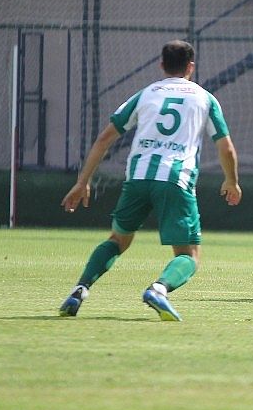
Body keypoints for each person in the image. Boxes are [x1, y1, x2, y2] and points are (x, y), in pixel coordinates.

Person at [58, 40, 241, 321]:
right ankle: (159, 289)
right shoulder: (204, 98)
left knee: (118, 239)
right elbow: (225, 147)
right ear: (191, 66)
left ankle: (80, 289)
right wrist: (231, 181)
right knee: (189, 254)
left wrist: (82, 181)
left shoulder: (146, 94)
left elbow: (104, 138)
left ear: (161, 65)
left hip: (138, 178)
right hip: (175, 181)